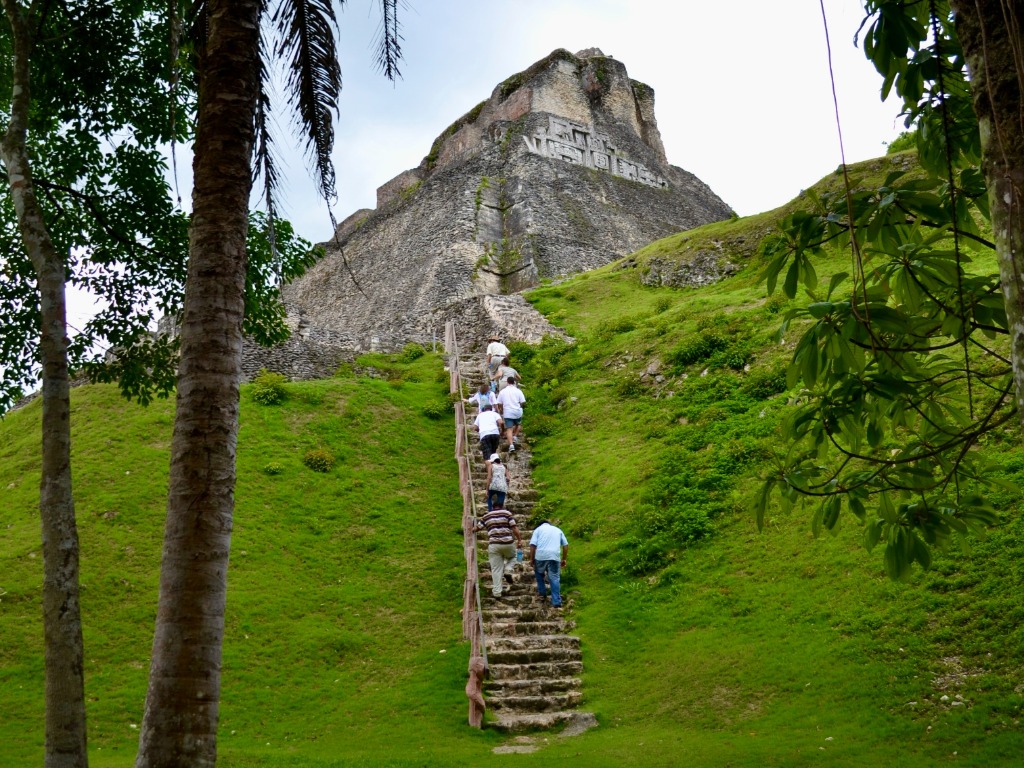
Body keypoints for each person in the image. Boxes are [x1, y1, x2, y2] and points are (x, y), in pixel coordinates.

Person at [477, 503, 523, 597]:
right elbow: (514, 527)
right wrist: (519, 540)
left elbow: (478, 527)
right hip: (508, 543)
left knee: (496, 569)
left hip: (494, 545)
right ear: (502, 506)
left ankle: (497, 592)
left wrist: (472, 529)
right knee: (513, 556)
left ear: (492, 507)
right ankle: (508, 569)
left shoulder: (486, 516)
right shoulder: (507, 513)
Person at [530, 519, 568, 608]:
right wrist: (564, 559)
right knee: (554, 578)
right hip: (554, 557)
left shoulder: (537, 530)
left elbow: (532, 545)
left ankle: (542, 593)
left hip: (540, 556)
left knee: (539, 574)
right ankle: (556, 601)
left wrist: (532, 559)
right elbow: (565, 545)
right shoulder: (558, 530)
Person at [495, 376, 526, 451]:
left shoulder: (503, 391)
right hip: (517, 411)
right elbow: (523, 402)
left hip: (508, 412)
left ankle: (511, 445)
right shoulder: (518, 391)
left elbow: (499, 403)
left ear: (507, 382)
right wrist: (520, 407)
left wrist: (501, 409)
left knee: (509, 429)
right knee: (518, 424)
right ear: (514, 382)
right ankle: (515, 436)